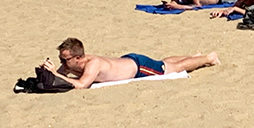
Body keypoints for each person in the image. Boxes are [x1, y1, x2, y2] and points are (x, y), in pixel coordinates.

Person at [39, 37, 220, 89]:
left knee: (172, 68)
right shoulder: (73, 63)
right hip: (130, 61)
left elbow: (81, 85)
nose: (62, 62)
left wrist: (56, 74)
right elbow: (61, 78)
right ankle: (194, 57)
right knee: (163, 62)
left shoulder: (92, 64)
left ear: (78, 58)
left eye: (65, 59)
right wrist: (50, 73)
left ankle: (207, 58)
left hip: (139, 68)